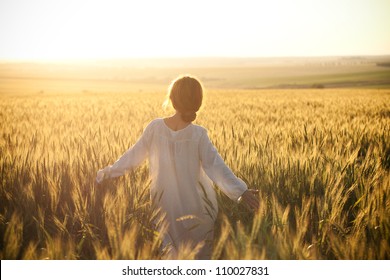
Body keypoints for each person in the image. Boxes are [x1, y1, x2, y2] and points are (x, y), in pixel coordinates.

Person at [96, 75, 259, 259]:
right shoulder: (198, 134)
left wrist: (106, 174)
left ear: (172, 100)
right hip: (199, 211)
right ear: (198, 102)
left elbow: (132, 157)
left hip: (164, 210)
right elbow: (217, 168)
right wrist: (241, 191)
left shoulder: (155, 128)